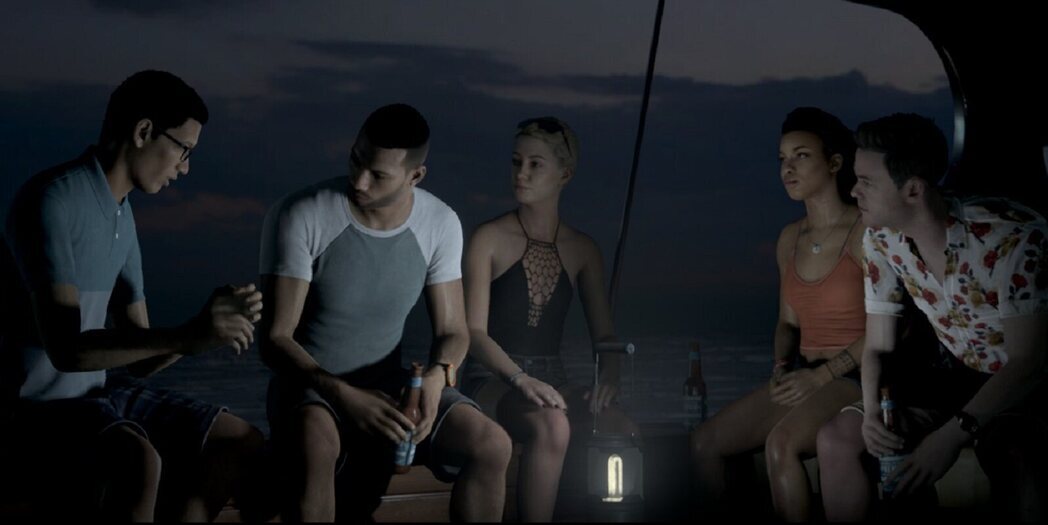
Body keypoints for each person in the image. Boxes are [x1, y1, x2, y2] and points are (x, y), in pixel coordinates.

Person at [0, 70, 266, 522]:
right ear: (143, 131)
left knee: (239, 441)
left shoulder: (123, 218)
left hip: (97, 393)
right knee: (138, 461)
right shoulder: (51, 201)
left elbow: (141, 358)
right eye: (184, 149)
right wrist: (188, 335)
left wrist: (206, 334)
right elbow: (66, 350)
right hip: (36, 408)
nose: (185, 167)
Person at [258, 103, 512, 522]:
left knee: (492, 443)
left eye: (378, 175)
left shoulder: (440, 222)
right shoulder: (301, 213)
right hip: (311, 389)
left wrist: (438, 378)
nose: (359, 181)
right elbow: (274, 340)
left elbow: (454, 331)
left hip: (391, 388)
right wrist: (345, 395)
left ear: (416, 176)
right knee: (314, 444)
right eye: (356, 160)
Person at [816, 112, 1048, 522]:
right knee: (838, 438)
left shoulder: (1014, 237)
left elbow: (1027, 362)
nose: (853, 190)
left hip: (1024, 382)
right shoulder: (881, 238)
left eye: (866, 181)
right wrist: (871, 413)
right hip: (953, 373)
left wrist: (947, 439)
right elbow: (878, 345)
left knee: (1012, 451)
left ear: (913, 189)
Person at [689, 107, 866, 521]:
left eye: (801, 156)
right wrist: (781, 367)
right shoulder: (789, 238)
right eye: (782, 158)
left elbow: (893, 327)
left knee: (780, 444)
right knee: (703, 443)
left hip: (854, 376)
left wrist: (823, 376)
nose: (788, 168)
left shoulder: (864, 231)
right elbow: (787, 322)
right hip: (805, 372)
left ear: (834, 163)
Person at [459, 116, 639, 522]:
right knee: (554, 425)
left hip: (554, 381)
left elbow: (605, 336)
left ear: (565, 174)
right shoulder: (488, 238)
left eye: (535, 164)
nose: (521, 173)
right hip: (492, 381)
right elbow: (473, 332)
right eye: (516, 161)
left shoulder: (583, 249)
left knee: (620, 425)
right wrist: (520, 379)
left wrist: (609, 378)